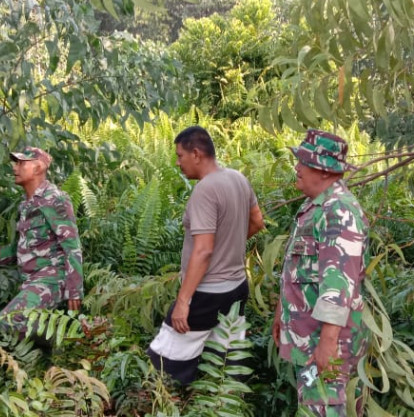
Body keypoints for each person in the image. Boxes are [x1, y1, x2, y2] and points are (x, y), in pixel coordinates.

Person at [147, 126, 265, 385]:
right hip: (237, 288)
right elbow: (257, 221)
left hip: (207, 292)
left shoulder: (205, 190)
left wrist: (183, 301)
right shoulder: (238, 179)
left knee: (163, 366)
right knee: (224, 363)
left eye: (180, 156)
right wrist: (229, 245)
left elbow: (203, 250)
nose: (178, 163)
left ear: (197, 154)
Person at [273, 129, 369, 417]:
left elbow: (339, 282)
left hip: (328, 341)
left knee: (324, 409)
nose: (297, 168)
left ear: (325, 171)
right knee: (314, 405)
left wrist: (328, 343)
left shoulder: (338, 211)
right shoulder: (315, 206)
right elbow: (301, 269)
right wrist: (281, 311)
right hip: (310, 337)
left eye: (304, 162)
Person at [0, 147, 83, 336]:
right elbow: (28, 244)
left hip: (51, 279)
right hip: (30, 279)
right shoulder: (26, 204)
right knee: (9, 322)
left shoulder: (55, 200)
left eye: (20, 163)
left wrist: (74, 290)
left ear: (38, 168)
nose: (14, 168)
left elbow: (72, 247)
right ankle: (48, 348)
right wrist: (2, 254)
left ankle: (63, 339)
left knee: (8, 321)